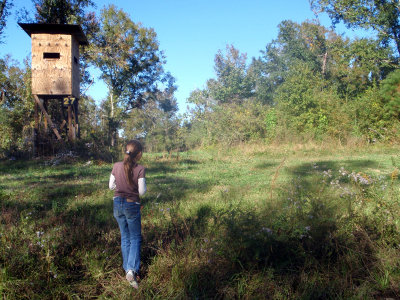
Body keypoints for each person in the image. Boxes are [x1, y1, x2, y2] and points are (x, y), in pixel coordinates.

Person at [109, 140, 146, 289]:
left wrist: (121, 187)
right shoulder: (140, 169)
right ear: (139, 154)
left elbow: (111, 186)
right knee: (135, 237)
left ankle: (127, 268)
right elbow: (142, 191)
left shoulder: (116, 166)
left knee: (125, 236)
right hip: (132, 205)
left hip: (117, 204)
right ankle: (131, 269)